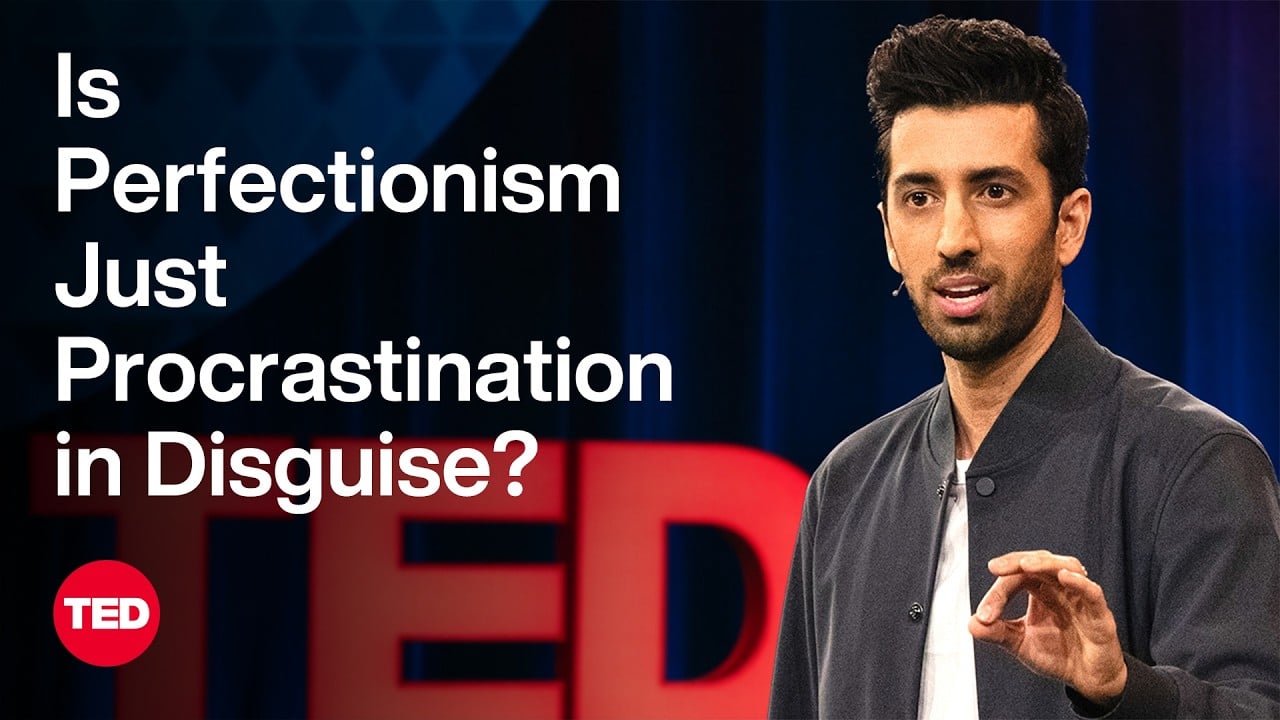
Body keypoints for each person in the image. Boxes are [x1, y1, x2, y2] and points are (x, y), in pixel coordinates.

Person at [768, 16, 1280, 720]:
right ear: (888, 233)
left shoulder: (1194, 462)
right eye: (920, 198)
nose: (953, 239)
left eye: (994, 192)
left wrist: (1121, 690)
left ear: (1068, 224)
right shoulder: (846, 485)